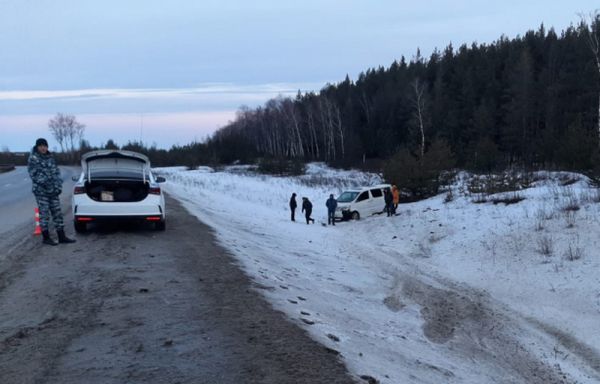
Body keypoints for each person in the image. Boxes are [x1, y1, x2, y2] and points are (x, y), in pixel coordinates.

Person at [28, 138, 76, 245]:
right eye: (40, 146)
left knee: (57, 213)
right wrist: (49, 185)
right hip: (41, 192)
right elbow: (35, 175)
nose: (43, 148)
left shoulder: (50, 158)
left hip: (53, 191)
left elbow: (57, 173)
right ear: (37, 147)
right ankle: (46, 238)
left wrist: (58, 186)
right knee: (44, 214)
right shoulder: (33, 159)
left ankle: (62, 236)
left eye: (45, 146)